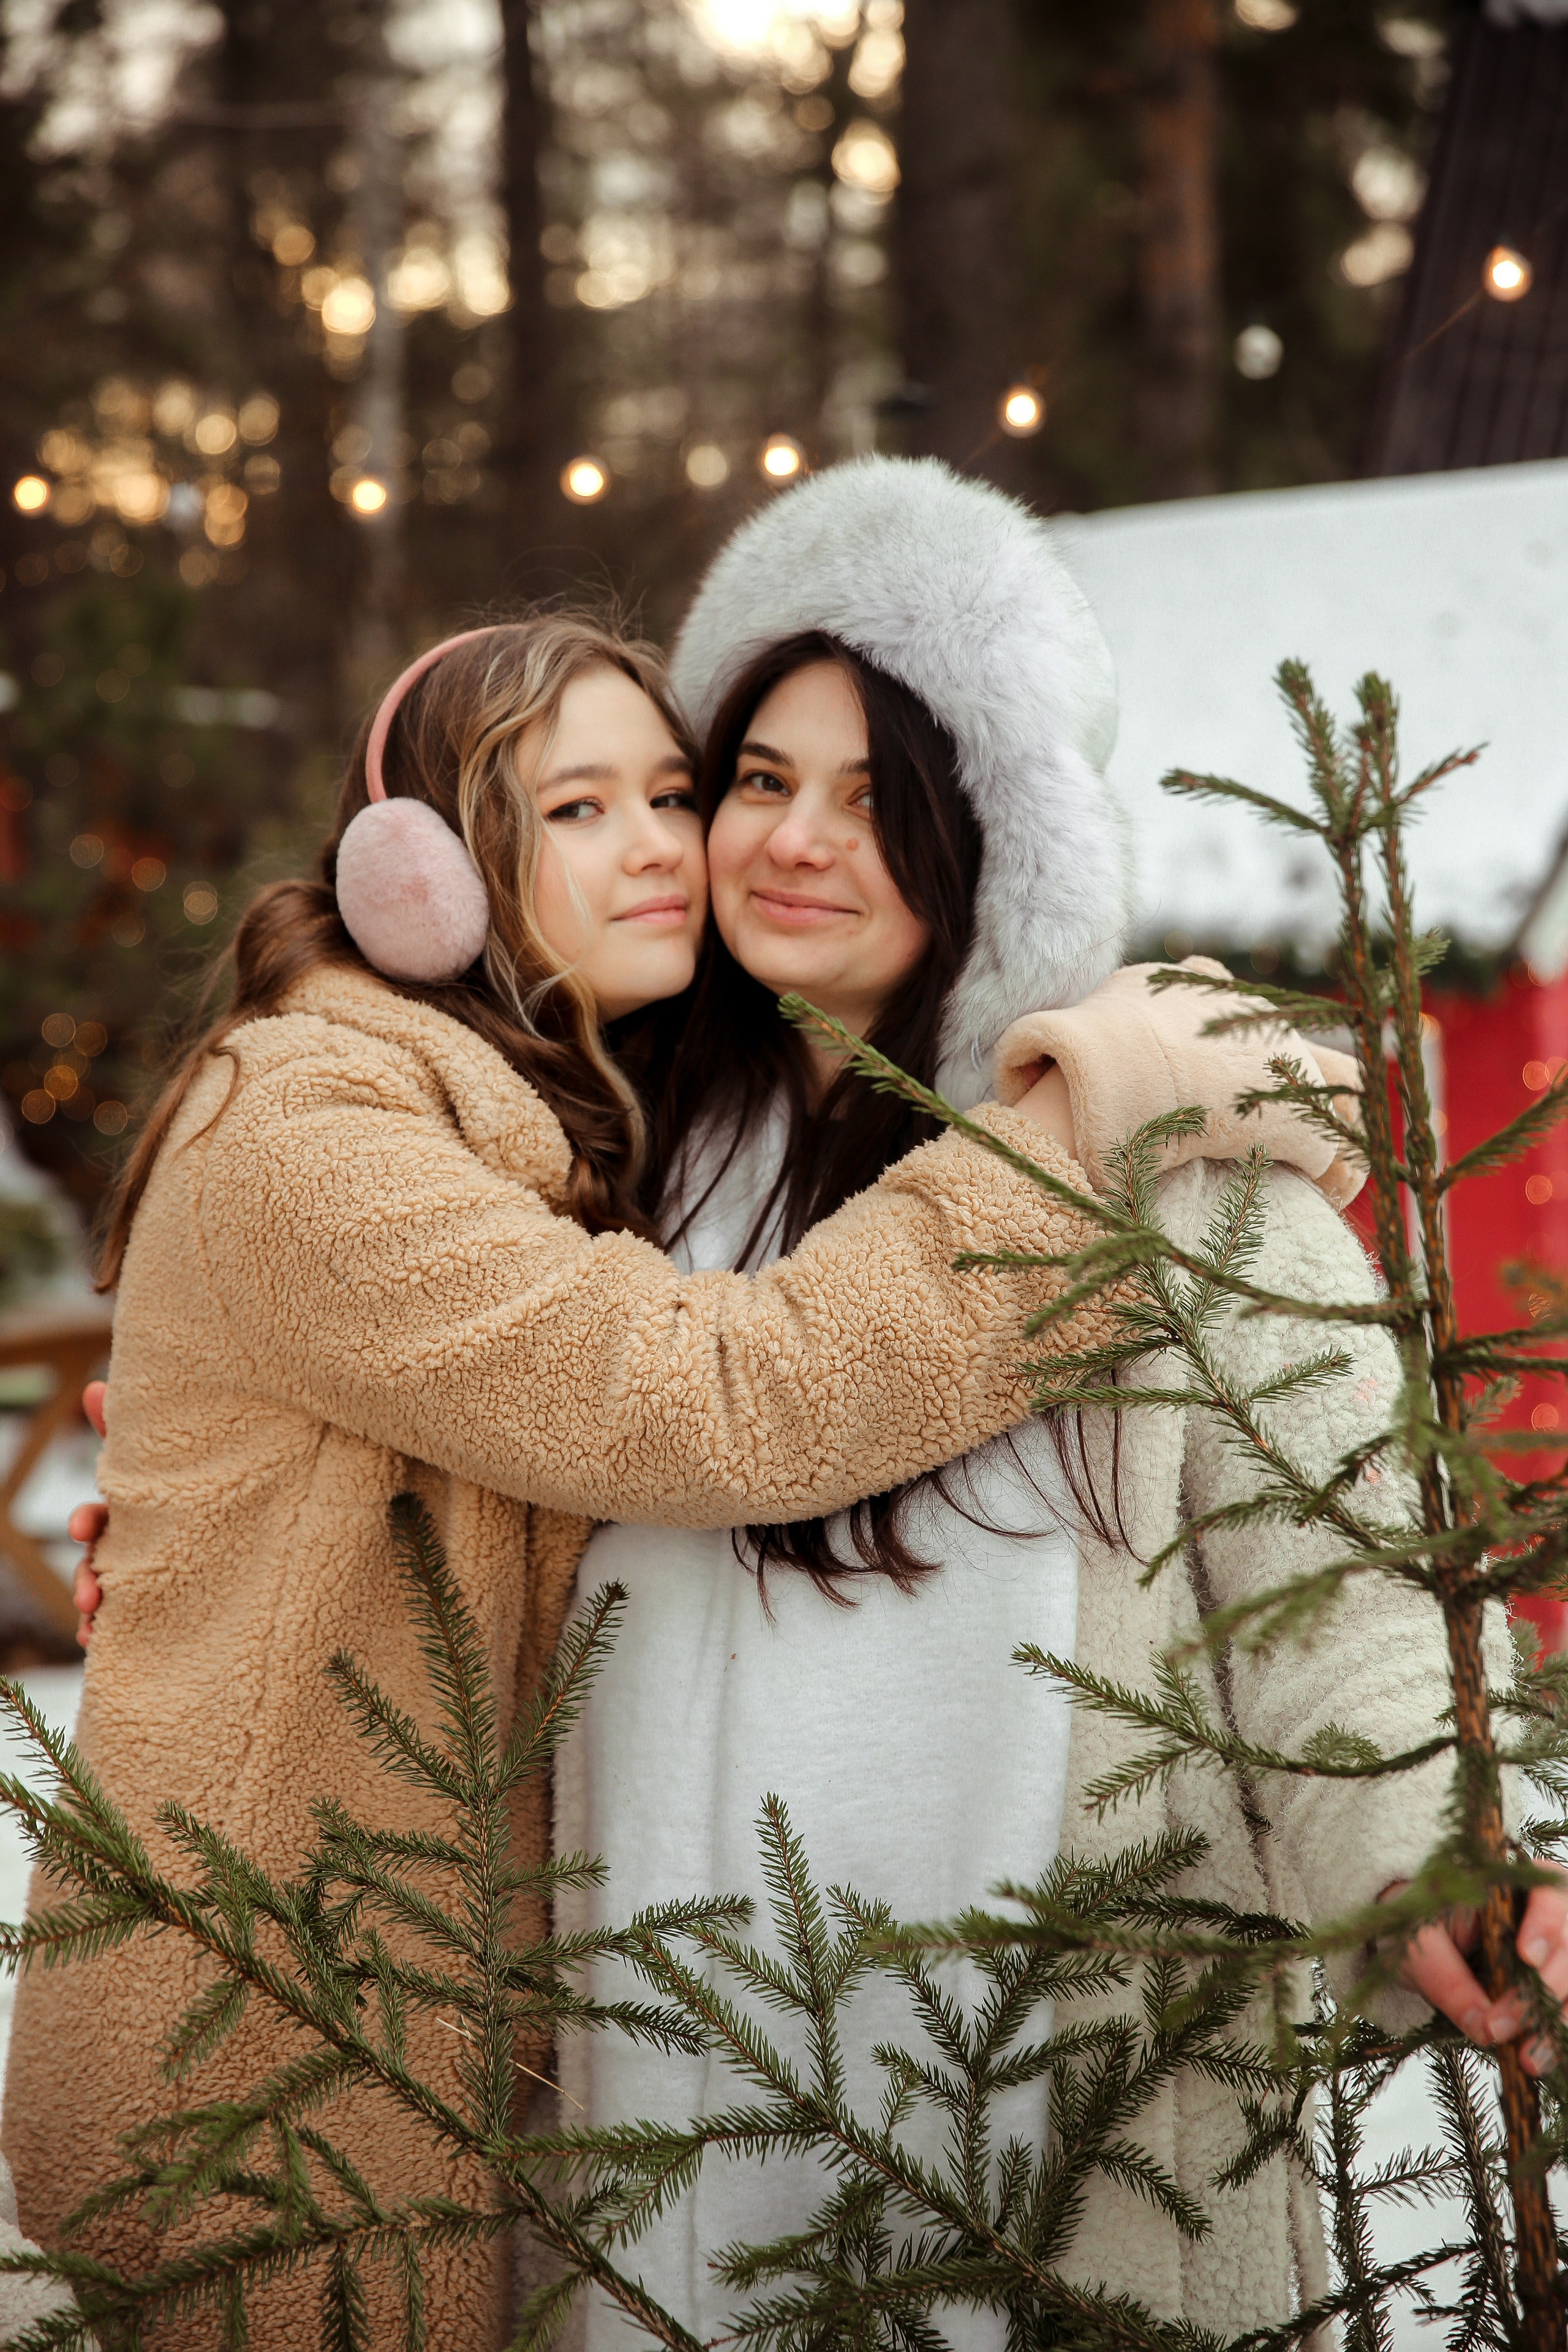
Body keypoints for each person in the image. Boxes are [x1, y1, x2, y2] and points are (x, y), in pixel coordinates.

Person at [10, 603, 1304, 2352]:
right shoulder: (318, 1130)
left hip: (377, 2009)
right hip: (255, 2056)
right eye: (578, 808)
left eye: (673, 795)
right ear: (421, 875)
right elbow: (720, 1401)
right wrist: (1082, 1138)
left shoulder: (528, 1116)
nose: (663, 850)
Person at [550, 457, 1568, 2343]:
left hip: (1052, 2134)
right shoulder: (606, 1171)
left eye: (875, 796)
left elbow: (1341, 1594)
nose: (796, 839)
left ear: (990, 839)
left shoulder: (1177, 1181)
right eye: (759, 778)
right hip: (653, 2119)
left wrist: (1438, 1843)